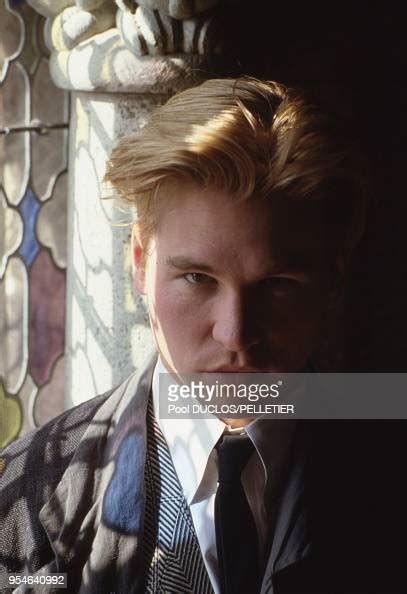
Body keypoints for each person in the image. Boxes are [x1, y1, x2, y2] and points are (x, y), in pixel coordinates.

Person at [0, 78, 405, 594]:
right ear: (140, 263)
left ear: (334, 280)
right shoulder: (29, 501)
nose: (235, 333)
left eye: (277, 285)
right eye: (197, 279)